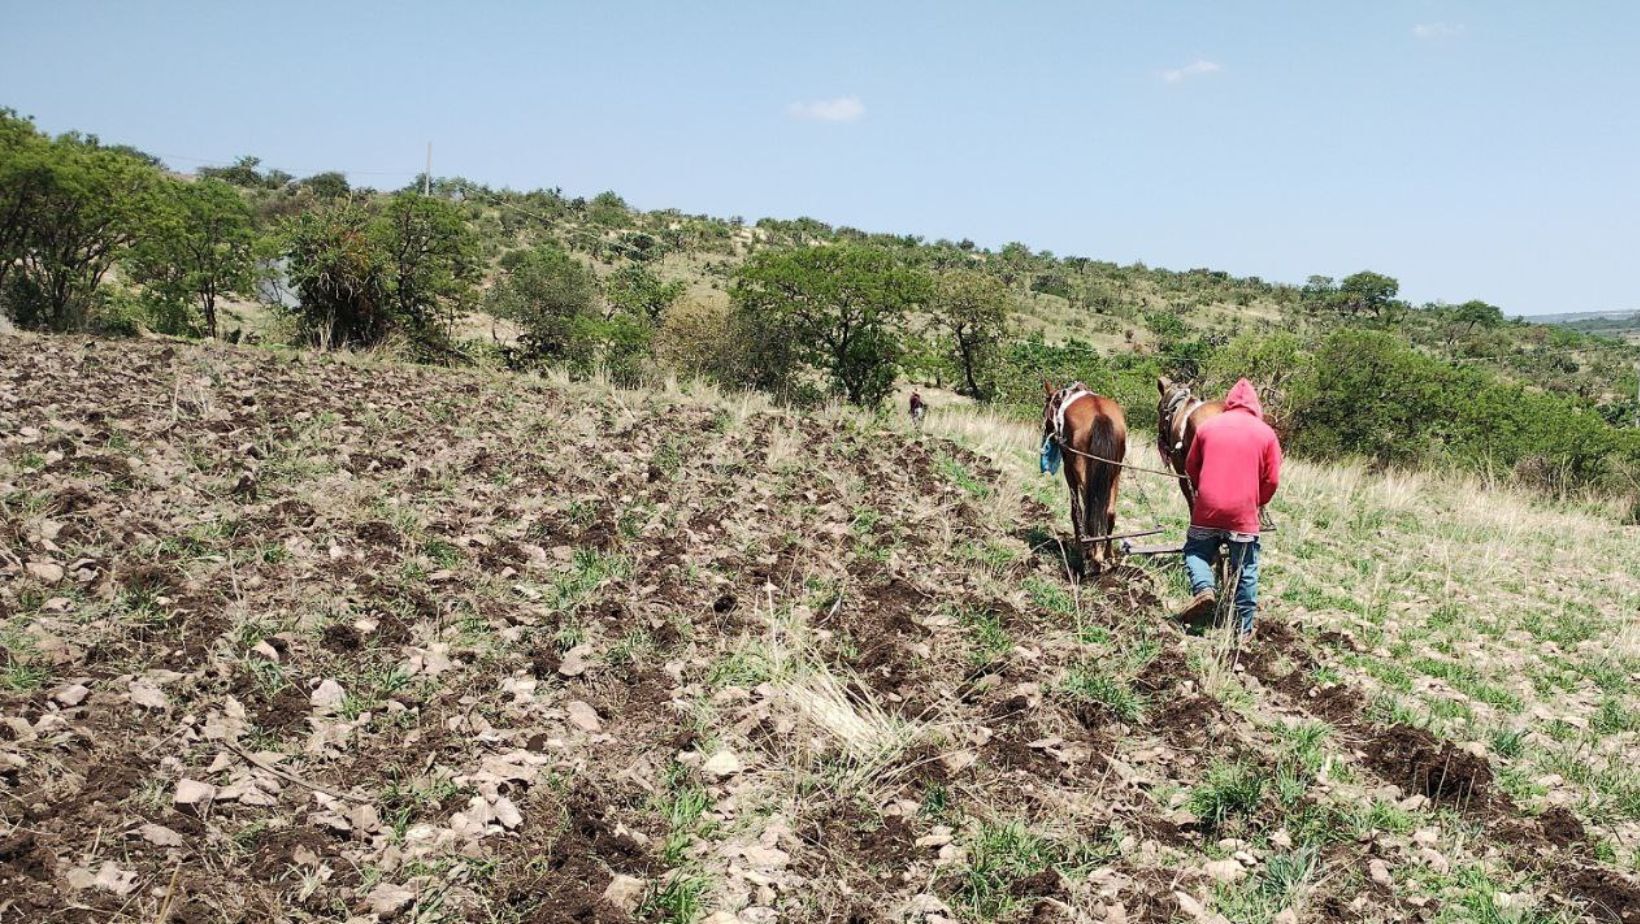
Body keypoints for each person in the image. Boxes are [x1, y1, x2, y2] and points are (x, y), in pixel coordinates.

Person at [1178, 378, 1282, 638]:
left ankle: (1204, 588)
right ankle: (1243, 630)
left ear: (1229, 403)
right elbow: (1272, 480)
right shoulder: (1266, 434)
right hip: (1243, 514)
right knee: (1246, 568)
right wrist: (1258, 502)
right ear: (1255, 406)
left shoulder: (1207, 428)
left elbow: (1191, 468)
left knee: (1195, 551)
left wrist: (1206, 491)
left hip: (1207, 509)